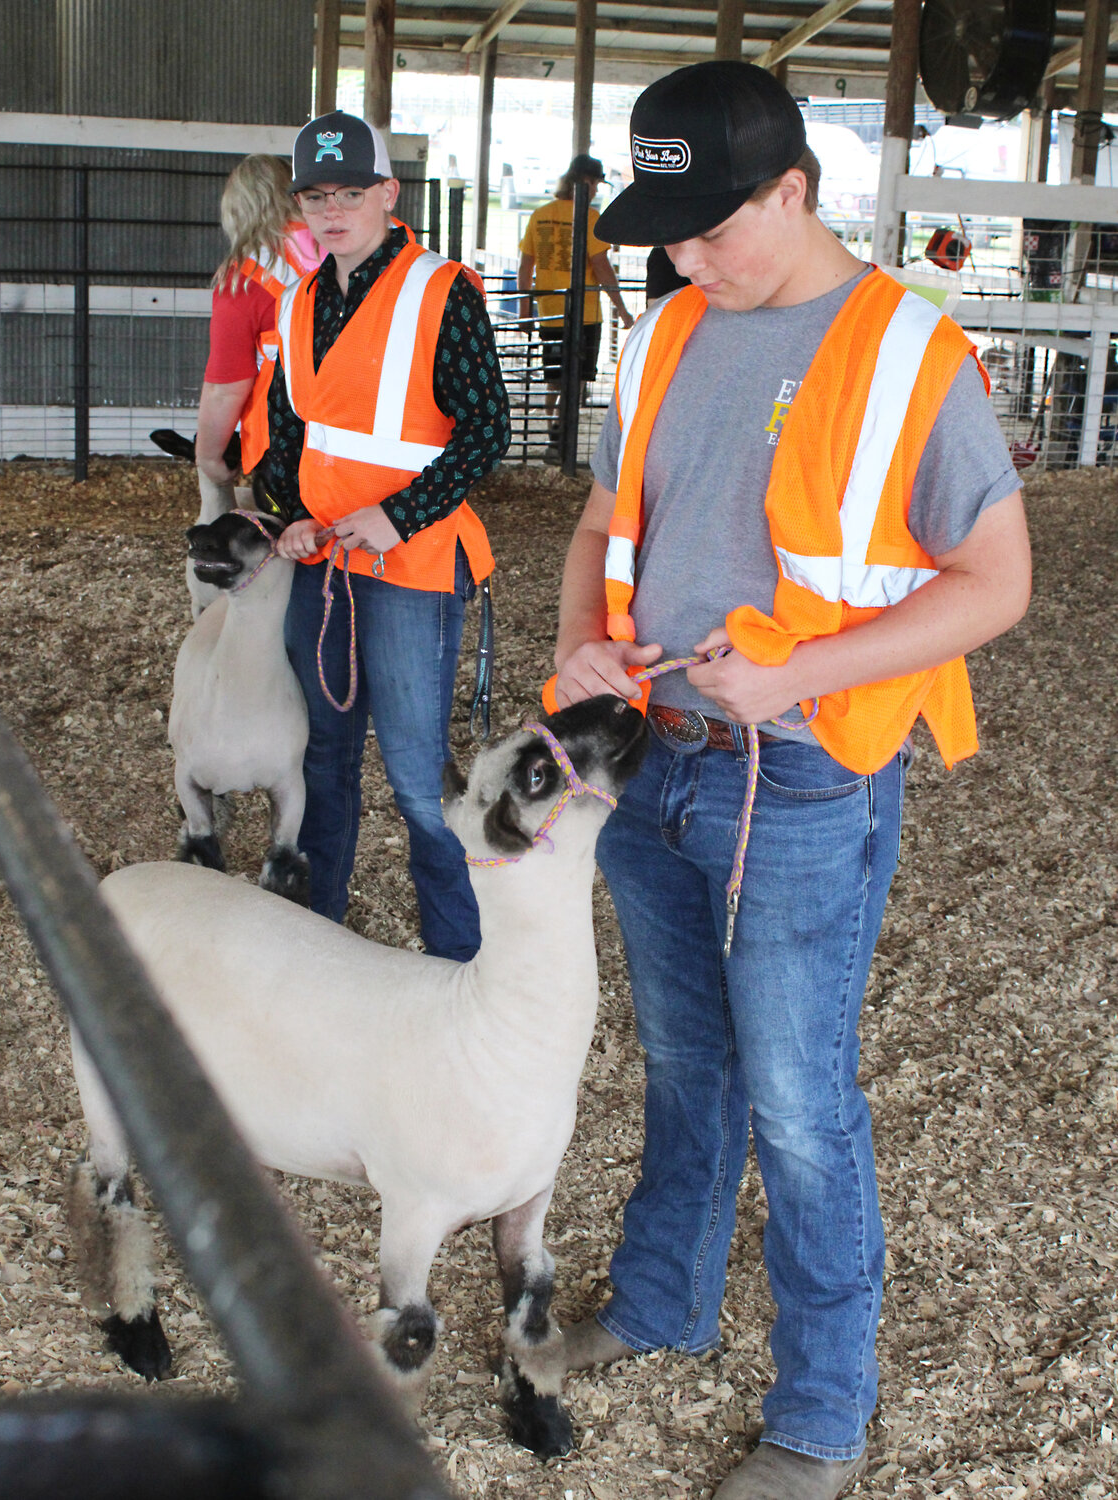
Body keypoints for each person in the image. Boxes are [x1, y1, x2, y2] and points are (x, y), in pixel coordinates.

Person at [547, 62, 1031, 1500]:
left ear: (791, 192)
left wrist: (801, 677)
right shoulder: (672, 332)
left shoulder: (910, 355)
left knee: (803, 1104)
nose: (679, 255)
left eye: (707, 225)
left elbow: (997, 585)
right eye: (667, 231)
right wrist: (581, 641)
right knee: (688, 1065)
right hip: (658, 762)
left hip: (807, 777)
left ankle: (822, 1409)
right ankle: (660, 1303)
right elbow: (595, 523)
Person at [265, 111, 511, 961]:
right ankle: (316, 942)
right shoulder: (297, 300)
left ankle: (458, 965)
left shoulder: (440, 290)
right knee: (321, 764)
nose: (332, 211)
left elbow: (486, 429)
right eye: (315, 195)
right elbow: (288, 431)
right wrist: (290, 513)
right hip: (325, 564)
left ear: (387, 194)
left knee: (414, 776)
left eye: (350, 192)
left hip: (410, 564)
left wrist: (398, 513)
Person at [195, 154, 319, 491]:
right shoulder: (347, 245)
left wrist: (208, 457)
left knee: (293, 539)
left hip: (288, 440)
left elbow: (226, 386)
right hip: (362, 432)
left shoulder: (247, 279)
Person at [517, 153, 635, 460]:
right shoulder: (590, 217)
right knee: (577, 380)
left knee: (554, 379)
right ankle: (563, 437)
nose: (596, 190)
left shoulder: (540, 214)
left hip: (551, 311)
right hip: (584, 314)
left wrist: (524, 309)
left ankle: (554, 433)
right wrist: (621, 308)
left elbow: (525, 264)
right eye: (595, 184)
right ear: (584, 181)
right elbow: (601, 265)